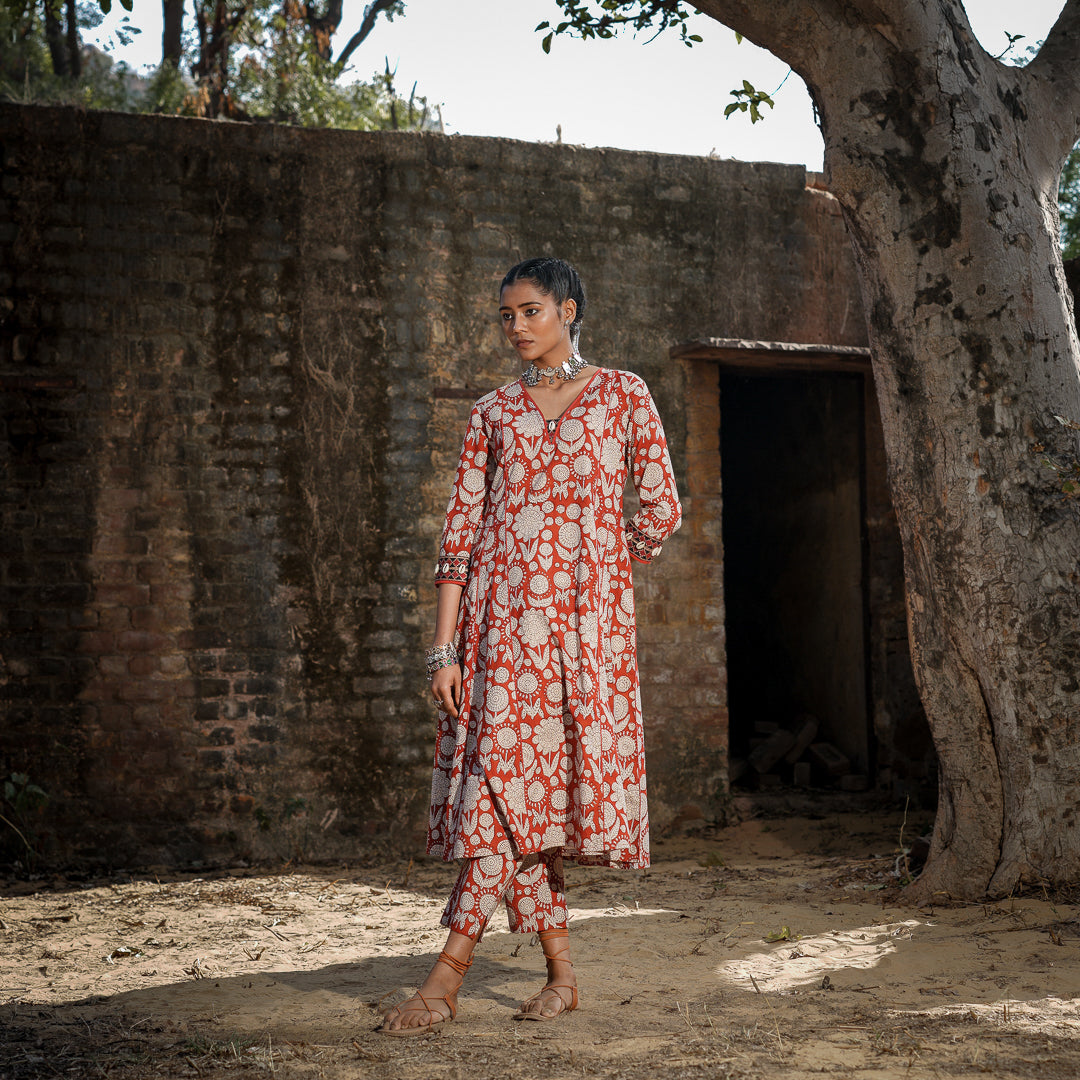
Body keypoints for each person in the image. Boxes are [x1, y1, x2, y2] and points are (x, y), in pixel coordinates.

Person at [377, 257, 682, 1036]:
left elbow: (661, 508)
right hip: (500, 634)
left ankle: (540, 978)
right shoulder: (493, 413)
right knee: (499, 796)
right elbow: (459, 534)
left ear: (568, 310)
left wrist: (597, 569)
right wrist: (443, 651)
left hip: (586, 639)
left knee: (528, 805)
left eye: (530, 311)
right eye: (506, 315)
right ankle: (452, 981)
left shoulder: (624, 395)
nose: (515, 326)